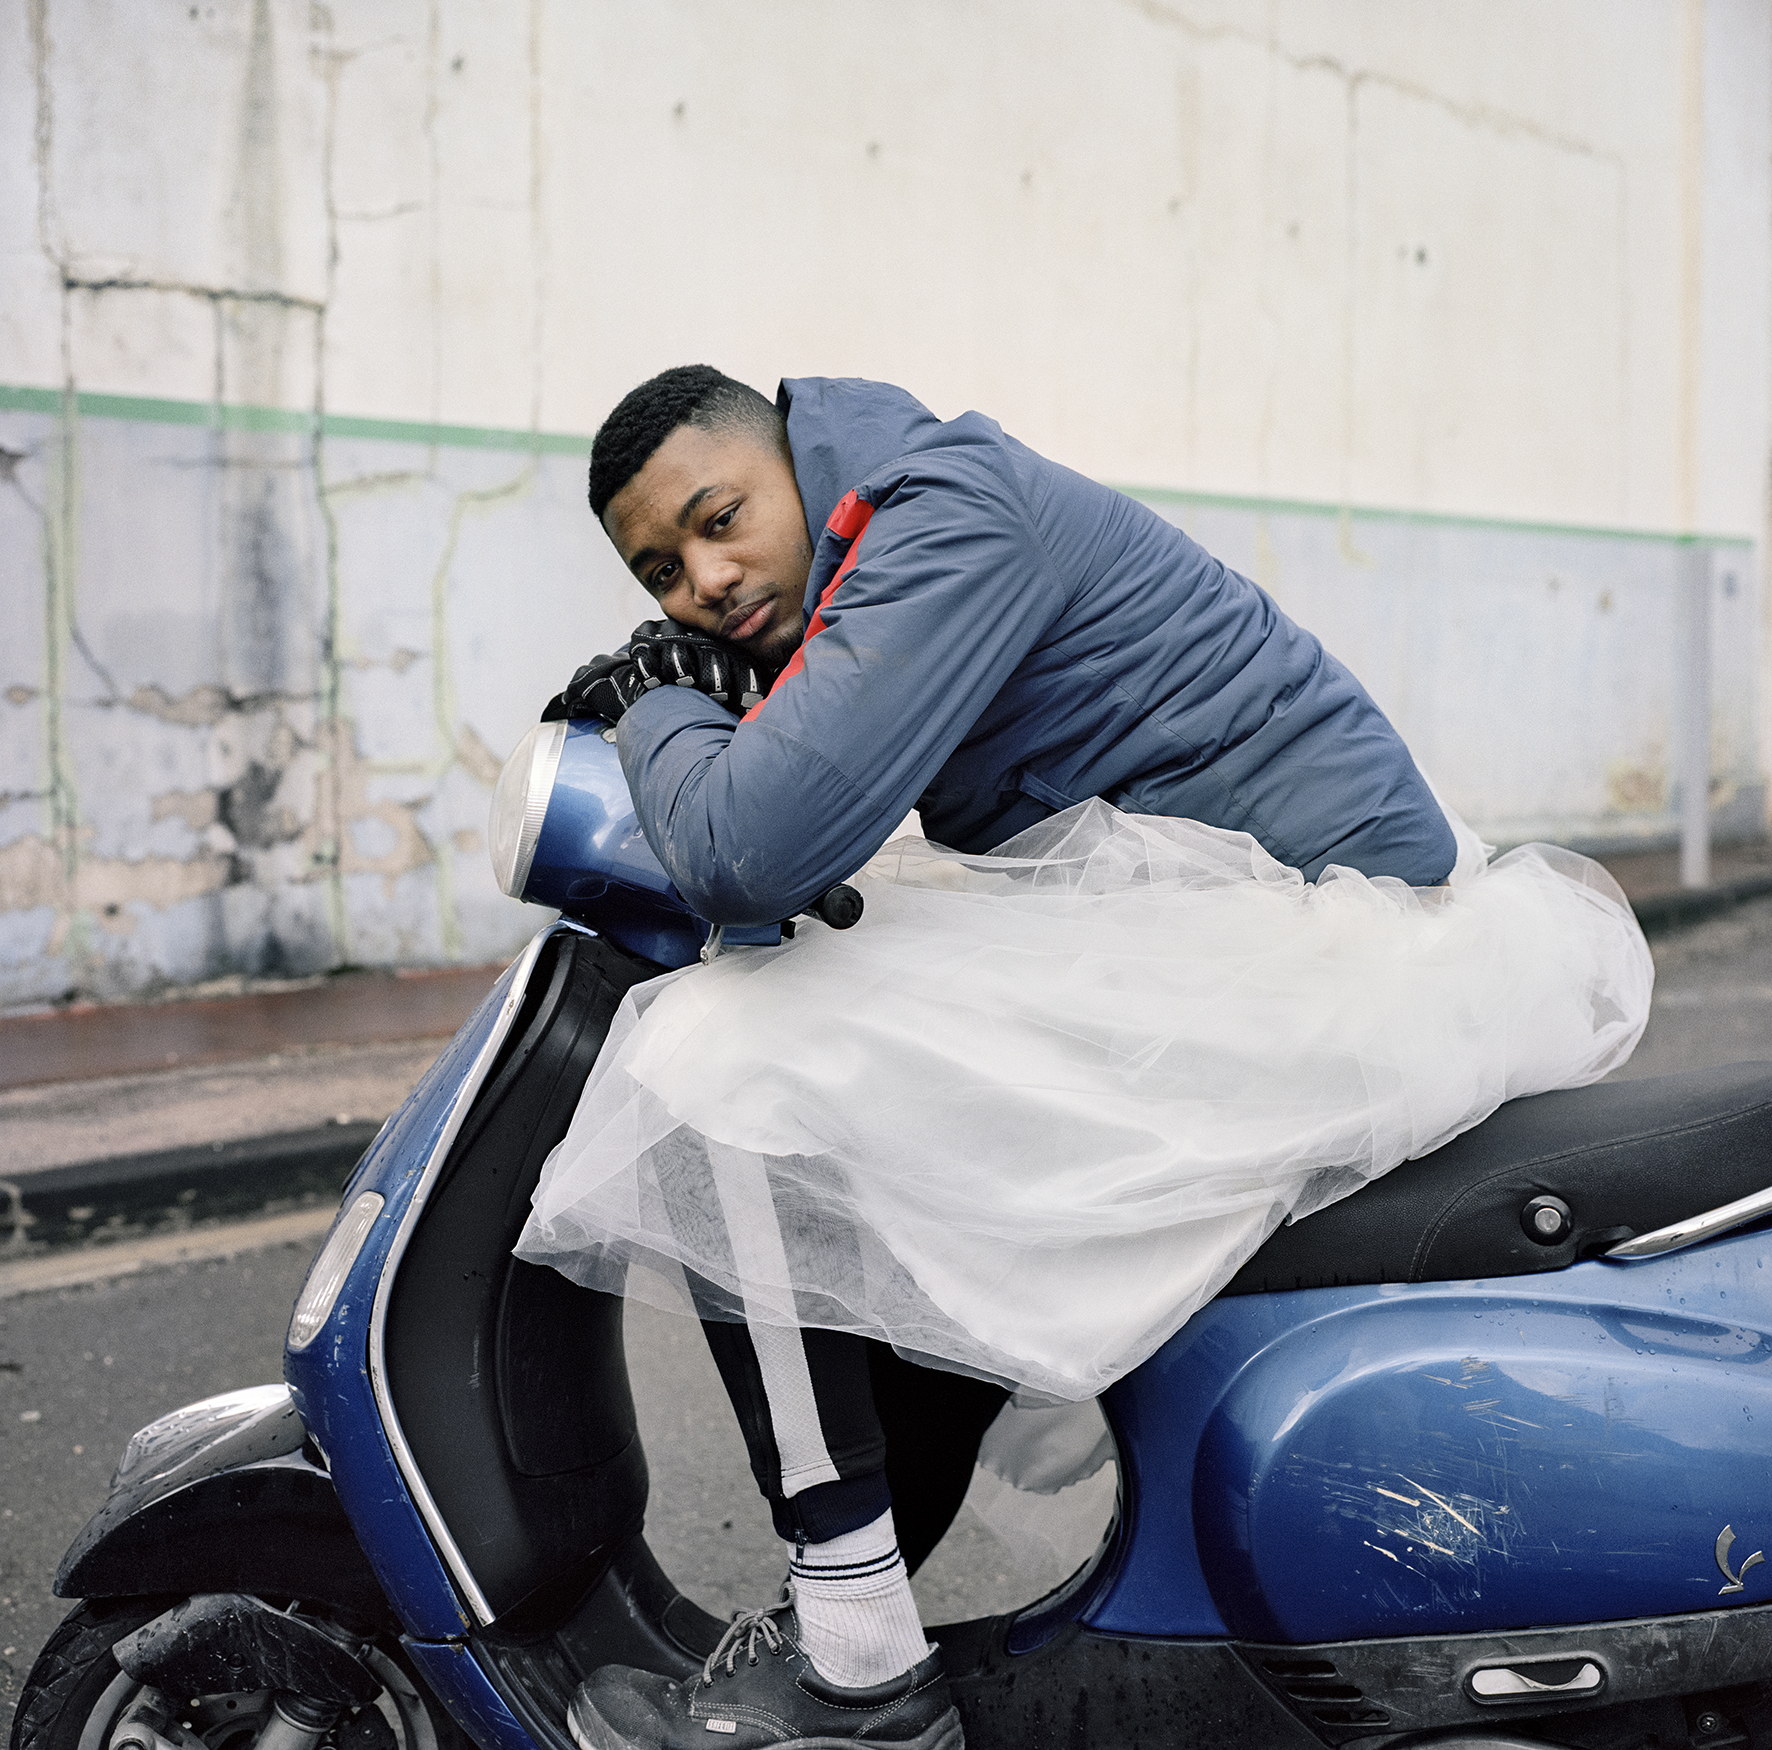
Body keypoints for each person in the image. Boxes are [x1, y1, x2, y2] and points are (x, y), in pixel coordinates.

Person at [519, 366, 1649, 1750]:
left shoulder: (943, 517)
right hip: (1251, 931)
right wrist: (700, 701)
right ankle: (841, 1620)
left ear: (793, 465)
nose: (702, 578)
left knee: (721, 1059)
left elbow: (751, 844)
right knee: (866, 1095)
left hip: (1336, 957)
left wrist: (656, 704)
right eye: (658, 574)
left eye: (718, 519)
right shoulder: (875, 544)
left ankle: (863, 1658)